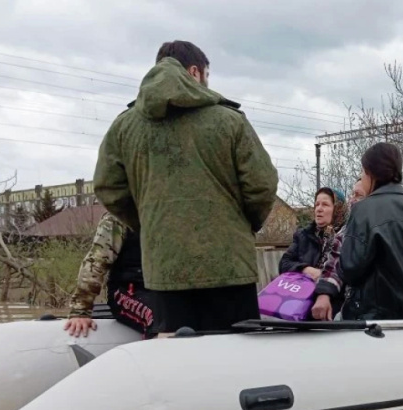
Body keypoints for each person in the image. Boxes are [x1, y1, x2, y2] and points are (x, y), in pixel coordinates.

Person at [93, 40, 279, 336]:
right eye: (207, 74)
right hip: (229, 268)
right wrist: (244, 225)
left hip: (164, 271)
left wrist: (150, 224)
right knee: (237, 362)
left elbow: (107, 187)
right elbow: (262, 185)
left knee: (180, 365)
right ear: (195, 72)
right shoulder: (229, 121)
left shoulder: (124, 127)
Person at [338, 142, 403, 320]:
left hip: (373, 323)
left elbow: (349, 268)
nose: (362, 178)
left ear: (371, 173)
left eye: (363, 172)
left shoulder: (363, 211)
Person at [63, 212, 155, 338]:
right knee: (163, 319)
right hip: (129, 290)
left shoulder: (175, 216)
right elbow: (97, 261)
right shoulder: (119, 216)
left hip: (166, 291)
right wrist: (81, 310)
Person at [312, 179, 367, 320]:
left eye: (358, 195)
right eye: (317, 204)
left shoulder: (354, 229)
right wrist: (306, 270)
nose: (352, 200)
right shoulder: (305, 234)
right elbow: (335, 263)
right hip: (317, 298)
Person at [278, 187, 346, 282]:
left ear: (338, 209)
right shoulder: (303, 235)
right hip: (302, 291)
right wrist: (305, 269)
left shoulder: (346, 237)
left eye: (325, 204)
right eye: (317, 204)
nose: (319, 209)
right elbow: (284, 263)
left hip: (333, 293)